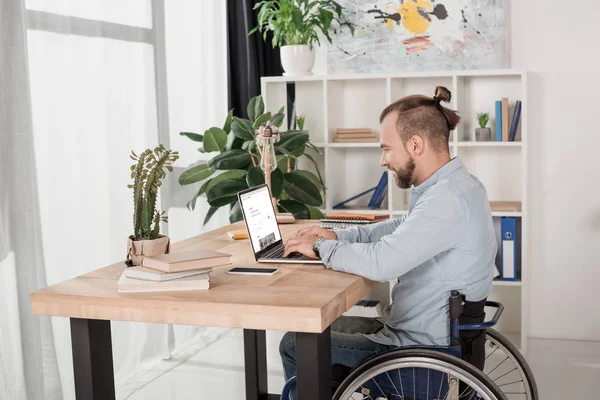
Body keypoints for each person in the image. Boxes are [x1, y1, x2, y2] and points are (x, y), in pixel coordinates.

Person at [279, 86, 497, 394]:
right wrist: (336, 236)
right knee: (314, 332)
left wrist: (319, 248)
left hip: (420, 355)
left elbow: (382, 263)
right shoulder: (459, 187)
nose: (383, 160)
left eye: (386, 148)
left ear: (416, 144)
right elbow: (399, 229)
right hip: (441, 340)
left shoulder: (445, 200)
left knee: (294, 343)